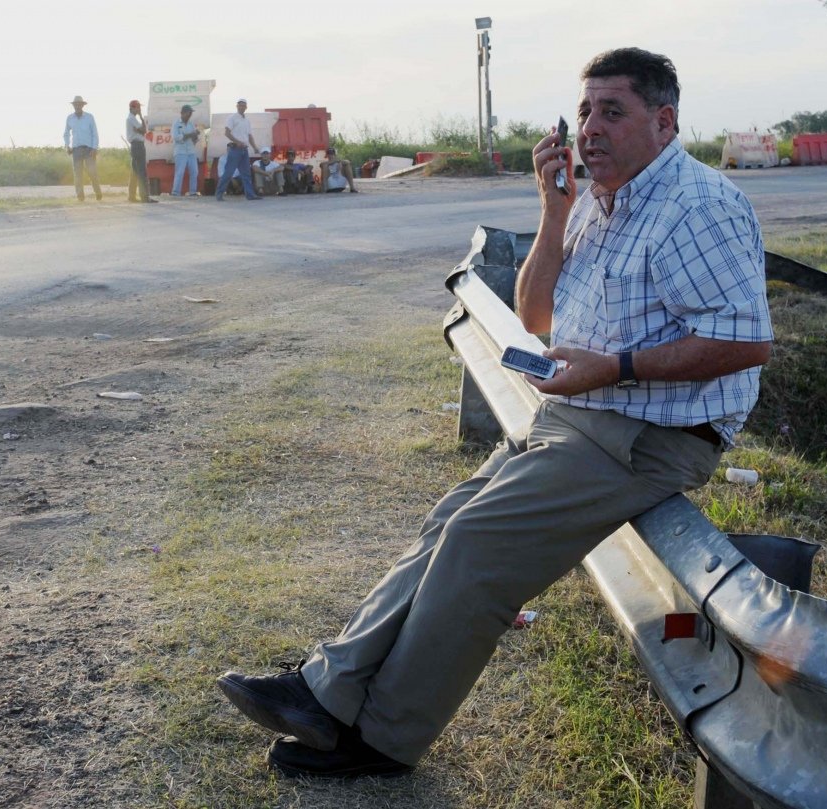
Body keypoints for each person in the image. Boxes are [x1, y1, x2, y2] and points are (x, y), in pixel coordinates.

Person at [216, 47, 773, 780]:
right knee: (448, 522)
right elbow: (536, 312)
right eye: (583, 112)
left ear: (664, 121)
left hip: (653, 434)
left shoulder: (697, 203)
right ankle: (328, 690)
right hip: (582, 416)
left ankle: (383, 738)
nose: (589, 129)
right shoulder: (598, 202)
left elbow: (747, 340)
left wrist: (619, 367)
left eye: (613, 111)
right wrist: (554, 210)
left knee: (476, 545)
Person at [214, 99, 261, 202]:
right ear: (237, 106)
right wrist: (237, 141)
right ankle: (219, 194)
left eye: (243, 105)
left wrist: (255, 147)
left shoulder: (246, 121)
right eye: (240, 105)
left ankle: (250, 195)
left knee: (246, 173)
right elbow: (227, 133)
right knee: (228, 172)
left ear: (246, 107)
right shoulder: (232, 118)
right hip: (235, 149)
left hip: (244, 149)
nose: (242, 107)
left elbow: (249, 136)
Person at [64, 95, 102, 201]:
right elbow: (66, 134)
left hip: (89, 149)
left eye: (79, 104)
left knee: (92, 173)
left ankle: (98, 193)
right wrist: (67, 146)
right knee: (78, 174)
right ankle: (80, 196)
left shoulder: (89, 117)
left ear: (82, 105)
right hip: (76, 150)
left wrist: (94, 148)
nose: (77, 106)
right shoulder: (69, 118)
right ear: (73, 105)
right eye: (75, 104)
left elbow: (95, 133)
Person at [126, 100, 156, 204]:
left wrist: (141, 119)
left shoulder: (132, 119)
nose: (139, 110)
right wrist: (141, 117)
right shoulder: (132, 119)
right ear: (132, 108)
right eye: (138, 108)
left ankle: (132, 196)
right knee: (142, 172)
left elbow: (143, 130)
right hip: (138, 145)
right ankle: (145, 197)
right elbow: (144, 131)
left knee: (134, 172)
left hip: (135, 146)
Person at [171, 104, 201, 197]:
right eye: (188, 112)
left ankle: (192, 192)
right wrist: (190, 134)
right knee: (180, 172)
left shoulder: (191, 124)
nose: (190, 114)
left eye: (191, 113)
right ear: (182, 113)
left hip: (191, 151)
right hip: (180, 152)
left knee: (195, 171)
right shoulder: (176, 124)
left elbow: (194, 140)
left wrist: (195, 136)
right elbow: (176, 137)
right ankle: (175, 192)